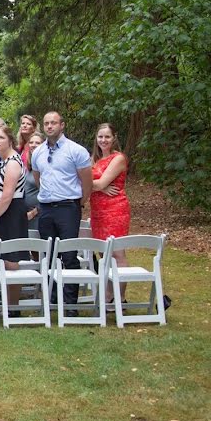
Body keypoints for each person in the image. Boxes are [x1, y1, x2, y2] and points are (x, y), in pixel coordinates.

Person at [31, 111, 92, 315]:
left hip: (68, 207)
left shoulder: (76, 150)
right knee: (48, 254)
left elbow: (86, 182)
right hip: (46, 208)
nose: (49, 127)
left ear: (62, 125)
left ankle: (71, 303)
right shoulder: (38, 152)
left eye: (53, 123)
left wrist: (78, 203)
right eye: (46, 123)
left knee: (69, 254)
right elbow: (38, 178)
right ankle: (52, 298)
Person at [0, 125, 28, 316]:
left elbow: (7, 195)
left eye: (0, 138)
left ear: (10, 140)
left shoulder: (13, 161)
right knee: (0, 257)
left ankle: (13, 306)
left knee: (12, 259)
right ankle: (4, 302)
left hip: (11, 213)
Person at [90, 123, 131, 305]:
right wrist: (98, 186)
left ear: (114, 138)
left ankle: (119, 297)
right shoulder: (96, 160)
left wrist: (99, 186)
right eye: (100, 137)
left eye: (107, 137)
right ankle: (107, 294)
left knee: (117, 253)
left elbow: (97, 184)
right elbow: (93, 184)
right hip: (98, 210)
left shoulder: (118, 158)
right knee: (103, 253)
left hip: (115, 209)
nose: (103, 140)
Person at [23, 132, 45, 228]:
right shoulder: (29, 166)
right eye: (31, 142)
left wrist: (34, 212)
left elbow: (48, 192)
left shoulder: (44, 166)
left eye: (37, 143)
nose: (33, 145)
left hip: (37, 215)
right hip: (26, 214)